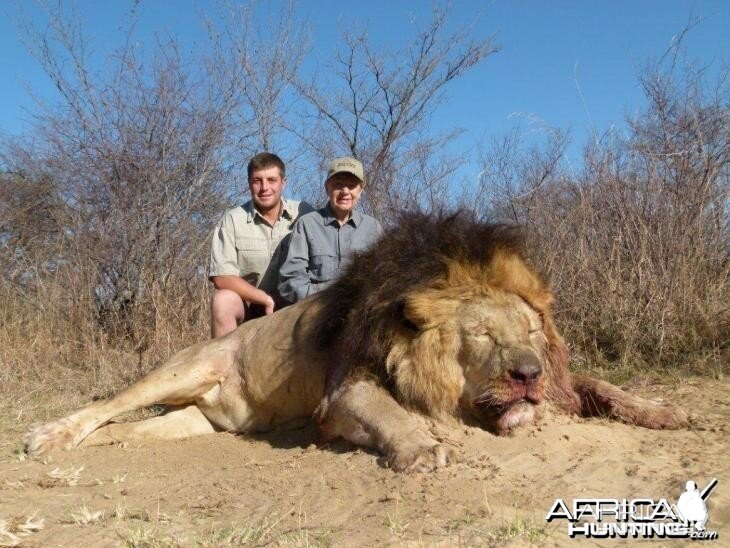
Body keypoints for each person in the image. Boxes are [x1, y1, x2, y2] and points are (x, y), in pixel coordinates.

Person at [208, 152, 312, 337]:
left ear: (283, 182)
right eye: (258, 181)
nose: (265, 187)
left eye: (271, 180)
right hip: (250, 305)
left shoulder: (305, 213)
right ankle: (224, 364)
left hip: (295, 304)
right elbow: (222, 277)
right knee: (222, 301)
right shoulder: (233, 220)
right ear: (249, 183)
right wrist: (265, 299)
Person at [278, 156, 383, 303]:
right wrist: (329, 298)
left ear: (360, 191)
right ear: (327, 187)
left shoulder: (373, 228)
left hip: (360, 311)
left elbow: (382, 279)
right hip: (315, 310)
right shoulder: (307, 224)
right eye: (338, 185)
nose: (345, 191)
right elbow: (291, 281)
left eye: (352, 185)